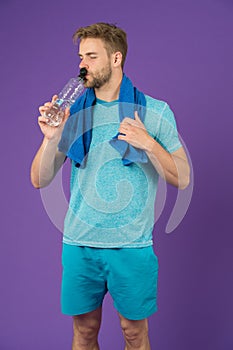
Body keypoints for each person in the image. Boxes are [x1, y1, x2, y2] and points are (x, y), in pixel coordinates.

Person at [31, 22, 190, 350]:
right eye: (80, 57)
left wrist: (149, 143)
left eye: (91, 56)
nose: (82, 65)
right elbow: (39, 179)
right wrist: (52, 139)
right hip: (80, 245)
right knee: (84, 334)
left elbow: (183, 177)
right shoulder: (72, 113)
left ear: (116, 59)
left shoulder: (154, 111)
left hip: (131, 247)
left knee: (134, 334)